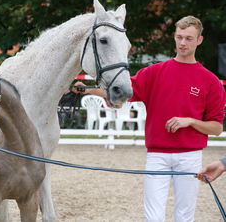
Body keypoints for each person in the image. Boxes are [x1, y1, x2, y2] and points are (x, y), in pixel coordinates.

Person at [74, 16, 226, 222]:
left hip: (190, 156)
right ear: (174, 37)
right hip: (157, 155)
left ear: (199, 40)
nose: (183, 43)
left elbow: (216, 128)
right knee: (153, 217)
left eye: (189, 38)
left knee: (185, 215)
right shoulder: (154, 72)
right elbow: (124, 92)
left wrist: (190, 121)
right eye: (179, 37)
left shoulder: (211, 81)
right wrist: (86, 89)